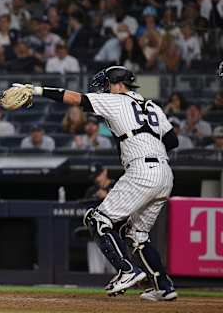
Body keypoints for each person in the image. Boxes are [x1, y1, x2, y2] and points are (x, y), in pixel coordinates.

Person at [11, 65, 179, 301]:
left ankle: (127, 270)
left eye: (108, 83)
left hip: (142, 169)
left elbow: (75, 98)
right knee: (137, 234)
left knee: (97, 219)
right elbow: (172, 141)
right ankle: (163, 286)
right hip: (165, 173)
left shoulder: (117, 99)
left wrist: (37, 90)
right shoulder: (152, 106)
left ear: (118, 84)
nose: (105, 88)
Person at [82, 163, 116, 275]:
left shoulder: (117, 186)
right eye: (94, 177)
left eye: (98, 175)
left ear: (105, 172)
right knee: (96, 272)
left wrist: (107, 196)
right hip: (96, 236)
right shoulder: (91, 191)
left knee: (116, 271)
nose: (96, 179)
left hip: (114, 235)